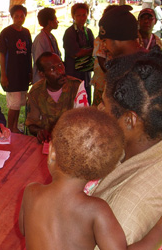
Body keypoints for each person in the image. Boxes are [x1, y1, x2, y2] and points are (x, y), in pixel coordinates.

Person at [19, 107, 162, 249]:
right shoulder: (96, 211)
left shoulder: (30, 191)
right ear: (102, 171)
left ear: (52, 152)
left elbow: (24, 229)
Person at [91, 47, 162, 245]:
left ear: (130, 121)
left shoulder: (122, 214)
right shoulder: (144, 146)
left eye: (104, 104)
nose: (99, 109)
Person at [26, 52, 82, 144]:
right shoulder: (36, 92)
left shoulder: (77, 87)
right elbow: (32, 123)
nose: (60, 71)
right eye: (52, 69)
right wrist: (39, 132)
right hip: (47, 145)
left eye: (60, 65)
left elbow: (85, 121)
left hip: (72, 143)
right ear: (42, 74)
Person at [0, 5, 32, 133]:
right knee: (13, 104)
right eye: (16, 16)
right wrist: (3, 75)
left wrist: (30, 72)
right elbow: (1, 54)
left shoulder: (26, 32)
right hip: (11, 74)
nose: (19, 19)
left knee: (19, 104)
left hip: (23, 74)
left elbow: (29, 54)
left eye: (21, 16)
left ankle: (15, 127)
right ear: (12, 17)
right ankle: (10, 128)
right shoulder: (6, 33)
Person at [63, 3, 94, 105]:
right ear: (73, 16)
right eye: (78, 15)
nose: (82, 18)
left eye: (84, 15)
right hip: (73, 74)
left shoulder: (88, 32)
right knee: (73, 100)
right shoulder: (70, 33)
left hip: (85, 73)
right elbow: (77, 53)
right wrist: (91, 50)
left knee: (85, 99)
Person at [90, 5, 117, 106]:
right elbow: (102, 62)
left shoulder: (118, 38)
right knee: (99, 107)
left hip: (112, 79)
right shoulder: (100, 39)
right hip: (103, 80)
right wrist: (114, 76)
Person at [31, 7, 61, 84]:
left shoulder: (51, 37)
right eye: (55, 19)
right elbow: (40, 63)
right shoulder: (40, 39)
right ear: (49, 22)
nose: (57, 21)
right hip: (43, 81)